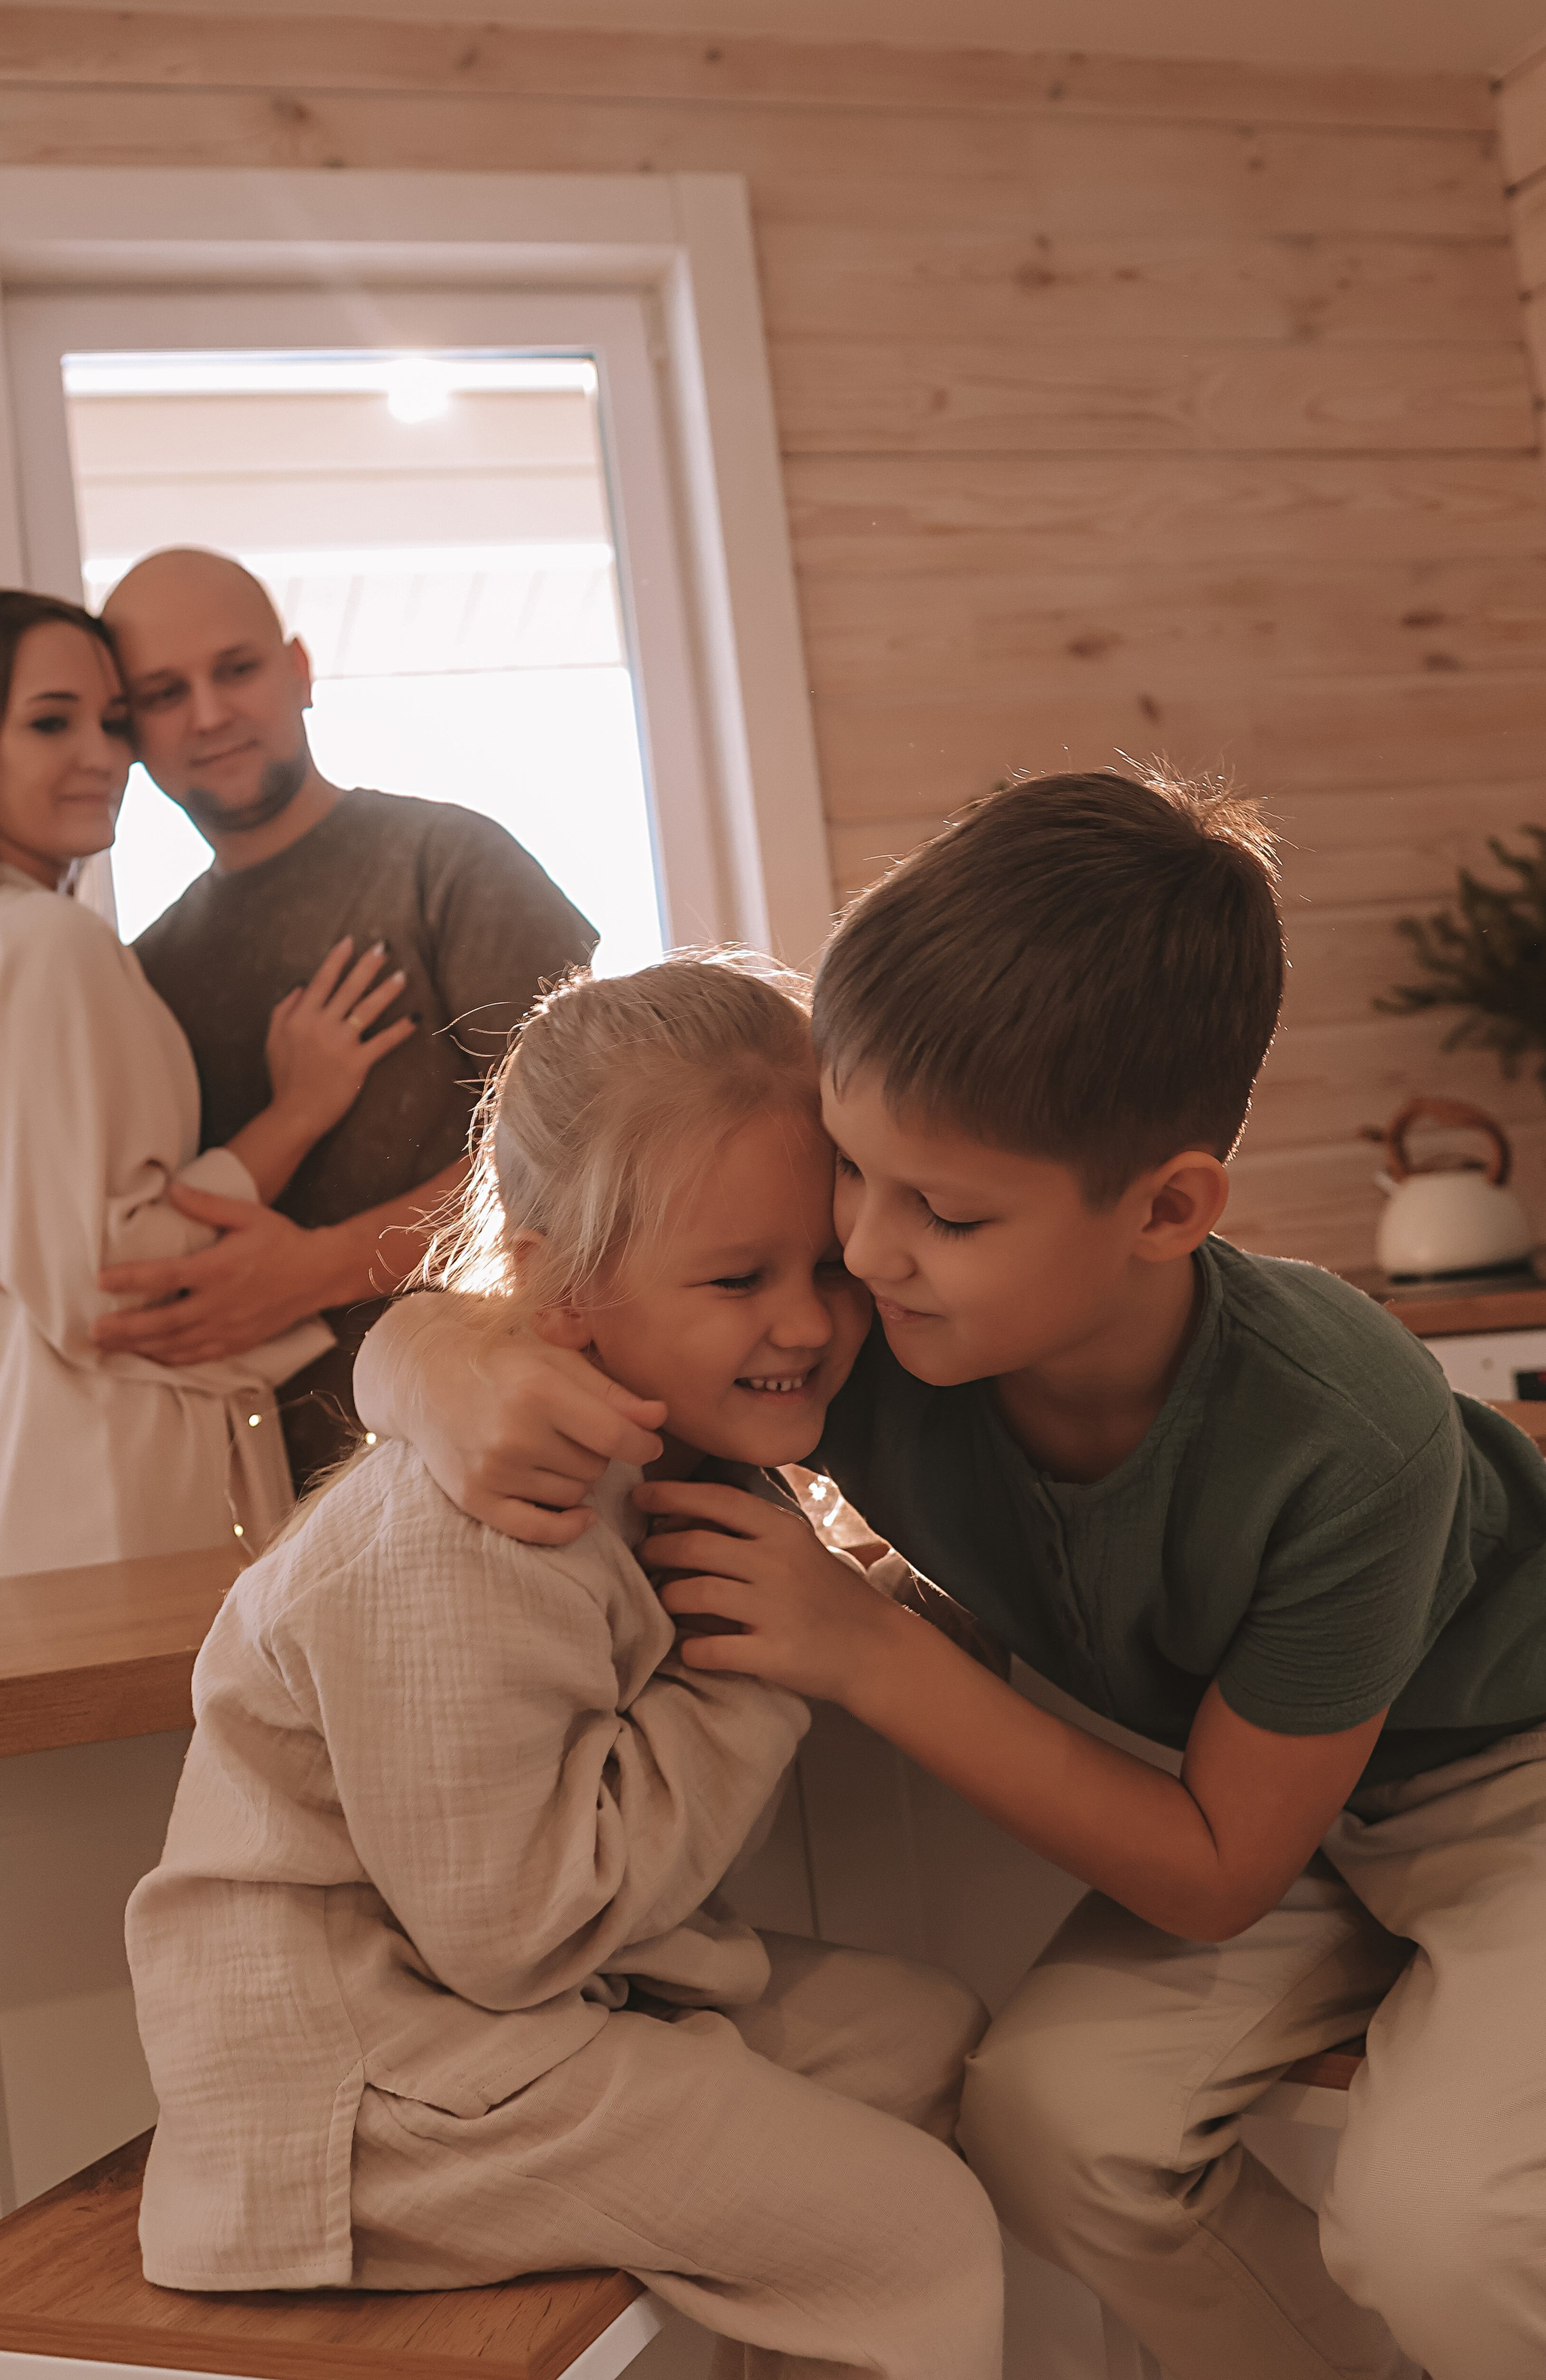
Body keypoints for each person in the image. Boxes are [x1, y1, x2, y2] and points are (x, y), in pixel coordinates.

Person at [361, 771, 1546, 2380]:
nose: (860, 1249)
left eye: (945, 1210)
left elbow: (1210, 1876)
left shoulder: (1350, 1435)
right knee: (1049, 2124)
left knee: (1444, 2229)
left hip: (1503, 1785)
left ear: (1166, 1208)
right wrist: (421, 1360)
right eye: (852, 1169)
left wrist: (864, 1648)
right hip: (1277, 1803)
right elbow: (583, 1306)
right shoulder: (873, 1337)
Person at [125, 954, 1003, 2380]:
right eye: (737, 1278)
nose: (803, 1322)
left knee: (926, 2042)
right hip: (362, 2100)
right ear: (558, 1287)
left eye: (824, 1267)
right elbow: (518, 1928)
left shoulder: (670, 1436)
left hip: (507, 2026)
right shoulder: (471, 1531)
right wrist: (758, 1667)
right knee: (917, 2238)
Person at [0, 547, 597, 1486]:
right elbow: (116, 1231)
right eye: (161, 693)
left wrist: (324, 1267)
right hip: (259, 1491)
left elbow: (592, 1150)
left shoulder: (452, 863)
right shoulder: (139, 970)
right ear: (135, 732)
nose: (208, 714)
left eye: (236, 670)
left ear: (300, 671)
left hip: (504, 1449)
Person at [0, 589, 416, 1584]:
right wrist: (295, 1115)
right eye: (51, 722)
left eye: (115, 721)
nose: (105, 753)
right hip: (104, 1507)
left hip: (66, 1488)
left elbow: (58, 1238)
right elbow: (106, 1284)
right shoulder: (45, 943)